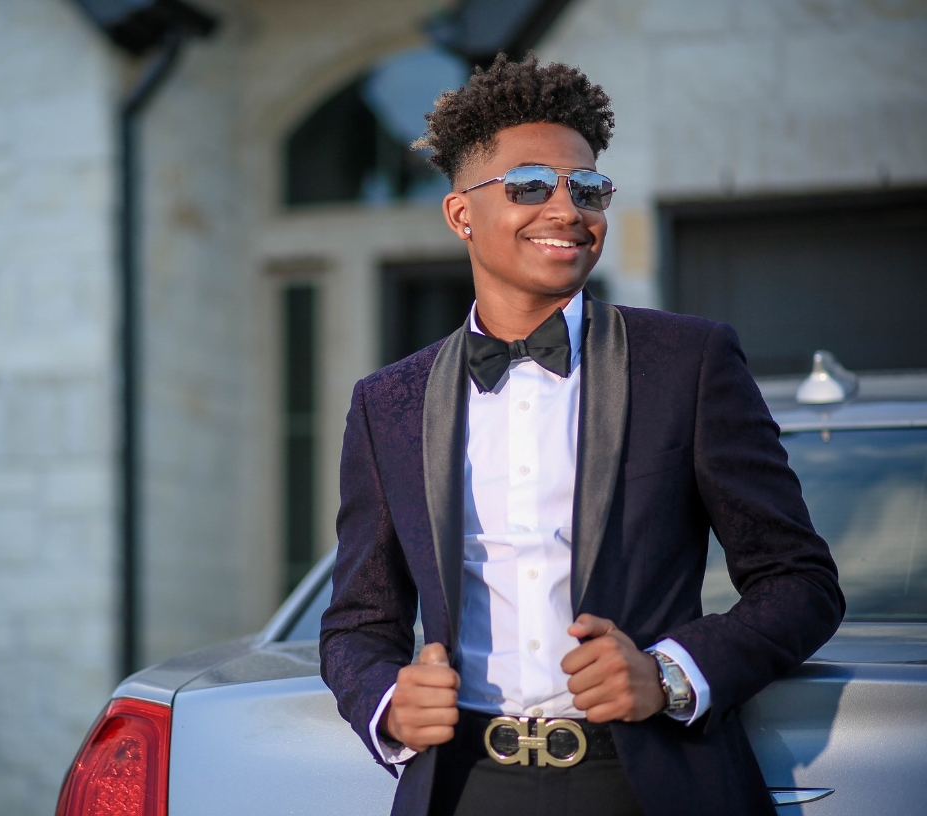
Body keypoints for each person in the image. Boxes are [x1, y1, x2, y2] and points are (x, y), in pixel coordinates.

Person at [318, 55, 843, 816]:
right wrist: (387, 702)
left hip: (647, 782)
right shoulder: (387, 402)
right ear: (461, 214)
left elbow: (801, 582)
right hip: (464, 786)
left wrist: (669, 673)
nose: (567, 210)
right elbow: (357, 623)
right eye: (530, 186)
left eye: (587, 189)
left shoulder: (688, 363)